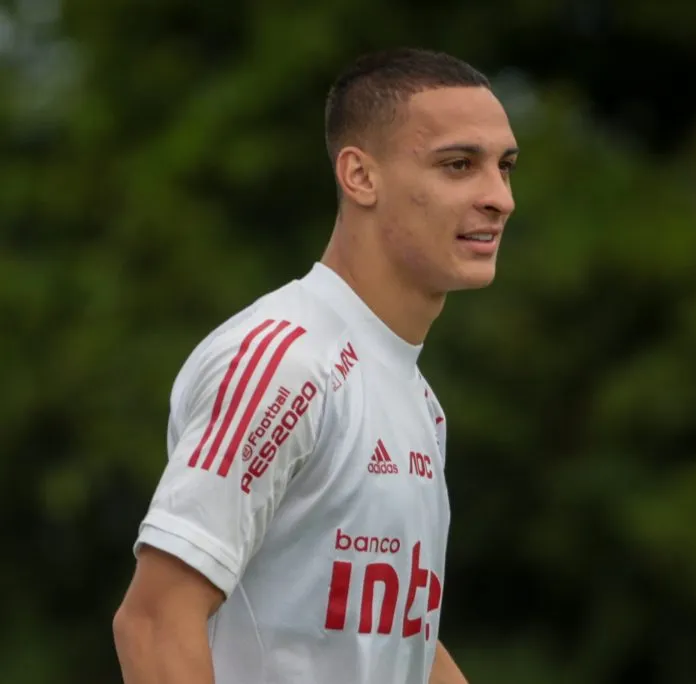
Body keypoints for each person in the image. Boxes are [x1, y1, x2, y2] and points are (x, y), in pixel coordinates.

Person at [112, 47, 519, 684]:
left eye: (505, 167)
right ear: (359, 176)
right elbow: (156, 622)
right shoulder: (287, 362)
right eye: (459, 165)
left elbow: (393, 644)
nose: (499, 198)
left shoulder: (419, 401)